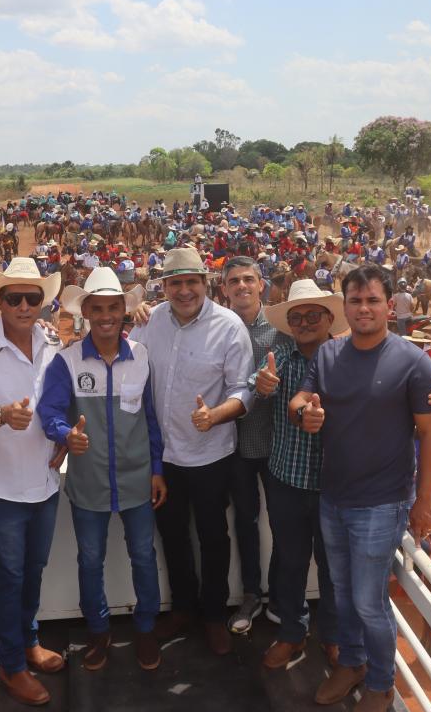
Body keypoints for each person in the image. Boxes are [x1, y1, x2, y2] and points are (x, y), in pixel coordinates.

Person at [289, 264, 431, 712]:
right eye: (355, 301)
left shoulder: (413, 362)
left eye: (373, 300)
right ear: (345, 306)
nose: (364, 309)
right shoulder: (329, 356)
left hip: (382, 502)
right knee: (340, 590)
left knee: (369, 601)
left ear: (390, 305)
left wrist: (425, 499)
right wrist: (304, 416)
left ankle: (380, 683)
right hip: (333, 495)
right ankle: (352, 662)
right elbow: (301, 400)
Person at [36, 268, 166, 671]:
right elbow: (50, 412)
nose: (107, 315)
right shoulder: (67, 361)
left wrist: (157, 468)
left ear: (124, 311)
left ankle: (146, 631)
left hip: (137, 478)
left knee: (143, 556)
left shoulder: (142, 356)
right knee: (89, 559)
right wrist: (64, 435)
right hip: (88, 481)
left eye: (114, 307)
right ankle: (98, 632)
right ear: (86, 311)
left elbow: (151, 418)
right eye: (99, 308)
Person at [129, 246, 254, 656]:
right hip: (163, 456)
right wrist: (134, 308)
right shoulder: (150, 323)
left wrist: (217, 414)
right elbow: (128, 367)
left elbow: (243, 389)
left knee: (213, 535)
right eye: (175, 283)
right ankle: (183, 607)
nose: (184, 291)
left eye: (192, 282)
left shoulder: (229, 326)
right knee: (172, 534)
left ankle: (214, 614)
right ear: (163, 287)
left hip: (211, 453)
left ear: (206, 284)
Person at [0, 257, 66, 706]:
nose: (24, 306)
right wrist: (1, 415)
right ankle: (11, 664)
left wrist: (64, 436)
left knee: (33, 571)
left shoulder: (51, 342)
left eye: (32, 297)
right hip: (2, 487)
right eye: (14, 298)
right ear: (0, 302)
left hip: (44, 480)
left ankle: (28, 641)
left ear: (43, 302)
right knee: (8, 577)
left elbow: (58, 404)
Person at [253, 280, 349, 670]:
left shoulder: (347, 360)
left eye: (313, 315)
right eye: (297, 317)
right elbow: (256, 386)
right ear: (288, 323)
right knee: (291, 561)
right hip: (287, 479)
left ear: (329, 319)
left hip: (333, 485)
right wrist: (261, 386)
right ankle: (293, 633)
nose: (305, 322)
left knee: (332, 566)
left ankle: (333, 635)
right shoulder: (279, 357)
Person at [220, 255, 290, 633]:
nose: (242, 286)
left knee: (281, 522)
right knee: (244, 522)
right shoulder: (216, 327)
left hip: (277, 443)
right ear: (225, 289)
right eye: (234, 281)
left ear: (260, 284)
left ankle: (278, 593)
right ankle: (251, 592)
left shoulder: (281, 330)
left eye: (248, 279)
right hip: (235, 446)